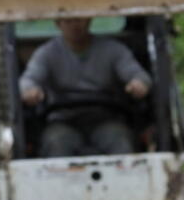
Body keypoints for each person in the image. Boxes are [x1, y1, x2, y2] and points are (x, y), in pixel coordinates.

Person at [19, 17, 152, 157]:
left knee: (120, 139)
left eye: (79, 20)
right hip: (63, 120)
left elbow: (137, 74)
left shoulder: (113, 49)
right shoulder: (46, 53)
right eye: (68, 20)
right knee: (55, 141)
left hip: (105, 119)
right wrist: (30, 90)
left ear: (89, 20)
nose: (75, 25)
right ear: (58, 24)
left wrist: (139, 83)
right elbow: (29, 79)